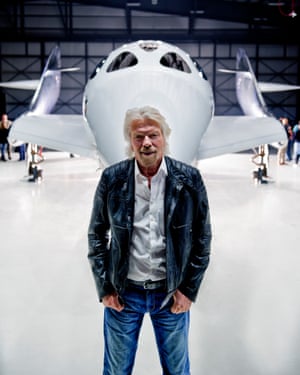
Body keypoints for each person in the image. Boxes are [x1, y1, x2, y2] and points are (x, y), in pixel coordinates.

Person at [88, 106, 212, 375]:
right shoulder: (112, 178)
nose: (146, 143)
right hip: (124, 294)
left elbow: (202, 239)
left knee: (177, 370)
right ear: (130, 141)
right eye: (138, 136)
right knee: (116, 370)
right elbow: (97, 234)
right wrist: (105, 287)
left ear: (164, 138)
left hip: (171, 293)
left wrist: (188, 289)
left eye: (153, 135)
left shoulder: (189, 179)